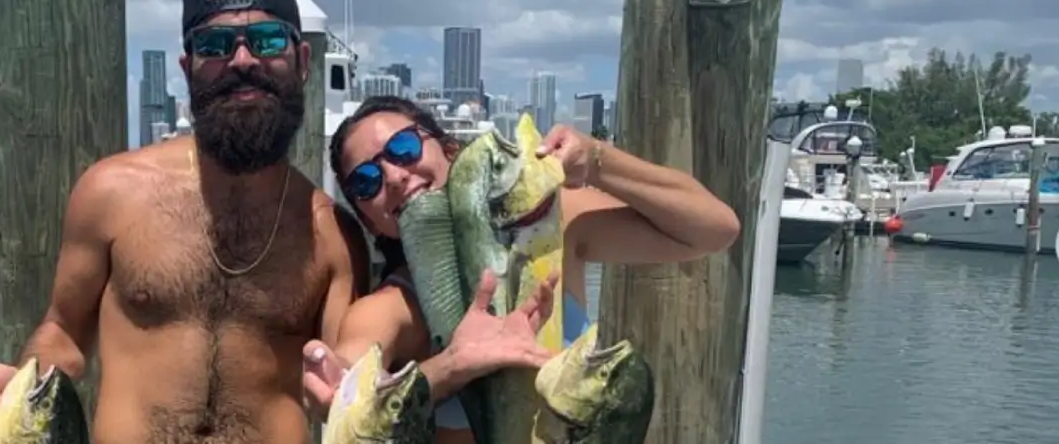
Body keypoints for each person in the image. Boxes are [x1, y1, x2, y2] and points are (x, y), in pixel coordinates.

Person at [0, 0, 372, 443]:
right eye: (215, 44)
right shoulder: (112, 192)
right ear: (188, 68)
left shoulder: (332, 234)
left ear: (303, 61)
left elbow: (345, 380)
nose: (244, 59)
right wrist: (24, 384)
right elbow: (64, 331)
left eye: (269, 39)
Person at [301, 96, 741, 443]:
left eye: (403, 148)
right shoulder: (391, 308)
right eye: (365, 181)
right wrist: (453, 365)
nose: (393, 176)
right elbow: (345, 396)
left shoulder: (547, 230)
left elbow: (713, 230)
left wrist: (600, 162)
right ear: (366, 216)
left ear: (449, 149)